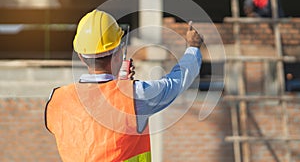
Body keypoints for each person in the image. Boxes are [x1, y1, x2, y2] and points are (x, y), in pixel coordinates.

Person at [44, 9, 204, 162]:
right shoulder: (134, 95)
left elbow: (91, 127)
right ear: (118, 52)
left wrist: (119, 84)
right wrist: (193, 47)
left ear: (80, 56)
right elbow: (176, 82)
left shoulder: (57, 98)